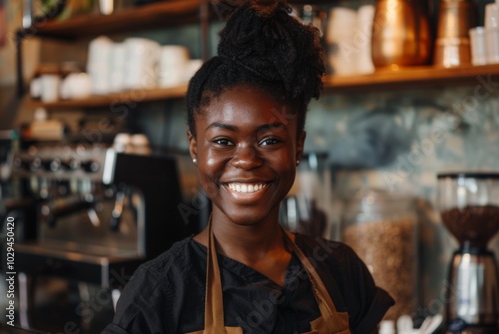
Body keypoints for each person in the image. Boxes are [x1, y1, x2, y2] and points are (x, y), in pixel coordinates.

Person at [103, 1, 394, 333]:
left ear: (297, 146)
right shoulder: (160, 293)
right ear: (195, 148)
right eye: (224, 141)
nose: (246, 160)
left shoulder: (341, 271)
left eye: (269, 141)